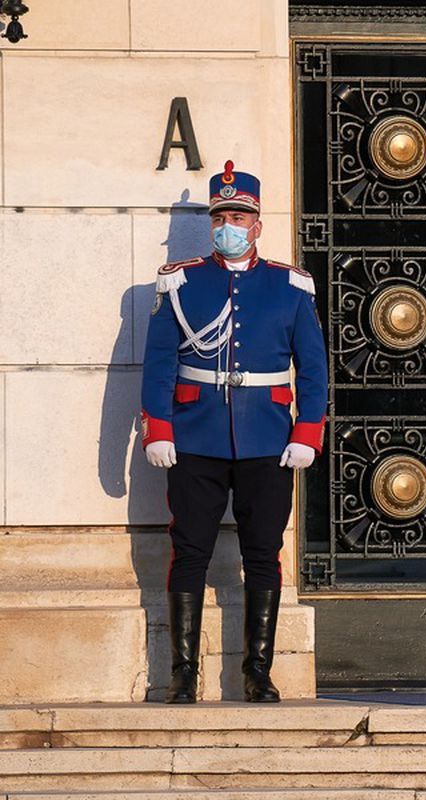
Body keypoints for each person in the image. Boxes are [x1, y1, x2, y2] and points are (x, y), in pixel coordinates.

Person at [140, 161, 329, 703]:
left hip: (269, 439)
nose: (230, 223)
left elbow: (313, 367)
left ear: (257, 223)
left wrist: (307, 430)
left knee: (264, 554)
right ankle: (182, 674)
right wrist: (158, 427)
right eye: (221, 214)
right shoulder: (181, 281)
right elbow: (159, 363)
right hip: (195, 438)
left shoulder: (290, 285)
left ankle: (257, 672)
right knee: (190, 552)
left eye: (239, 215)